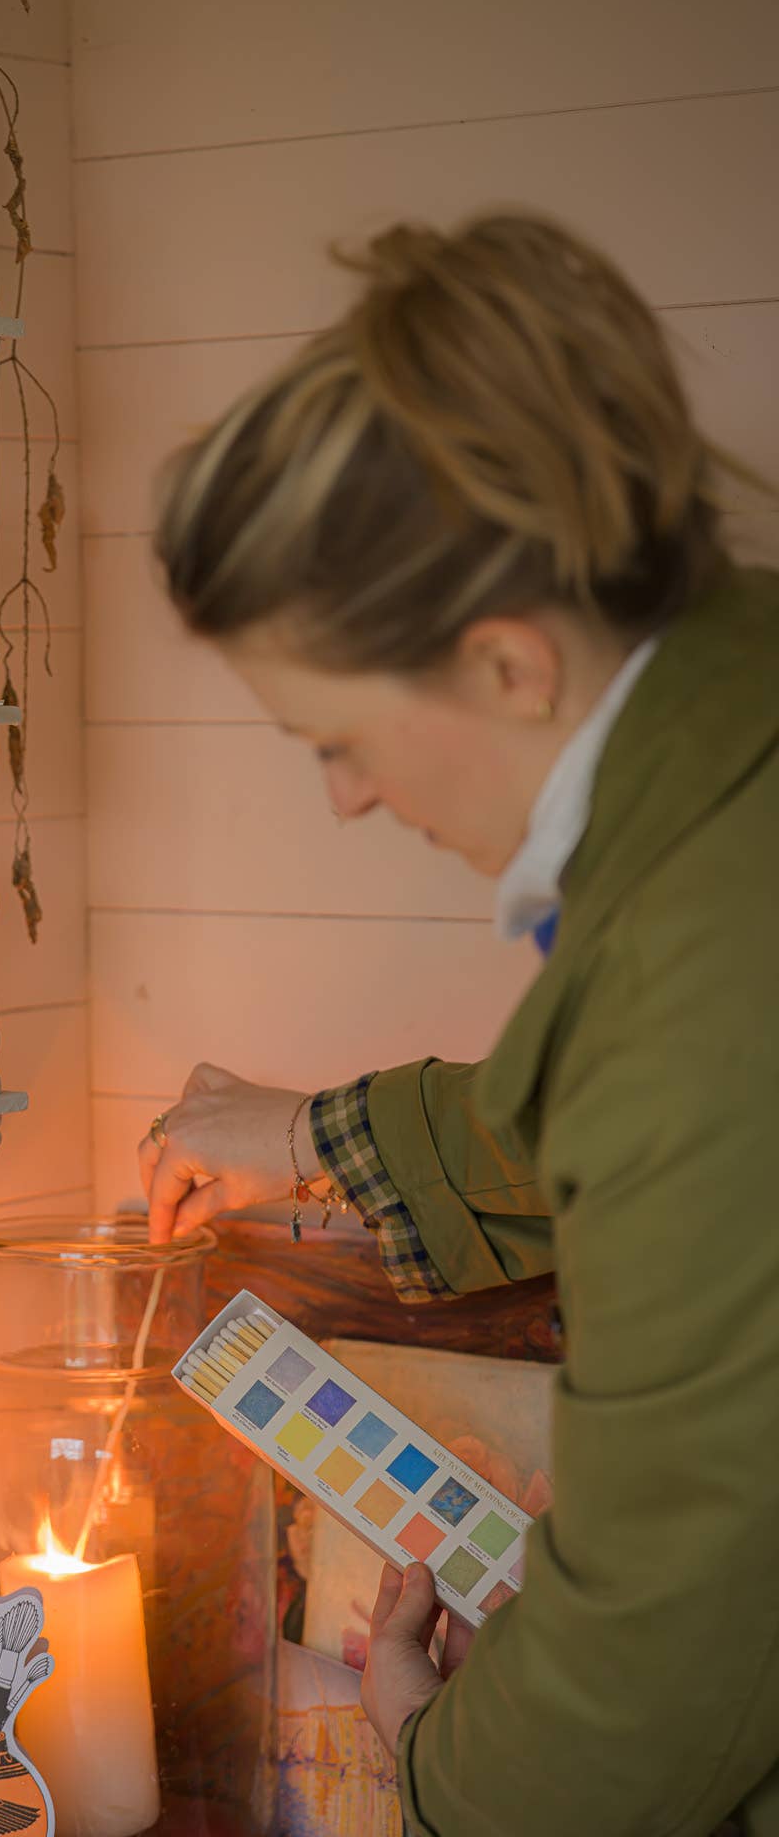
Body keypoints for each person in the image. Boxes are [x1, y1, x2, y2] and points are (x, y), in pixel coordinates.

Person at [138, 213, 778, 1837]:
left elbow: (663, 1650)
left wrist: (436, 1764)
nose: (350, 802)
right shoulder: (740, 707)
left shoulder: (685, 966)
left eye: (341, 740)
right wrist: (302, 1135)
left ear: (504, 662)